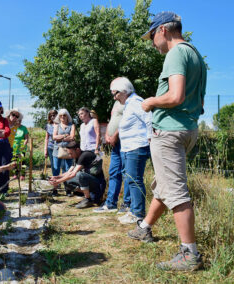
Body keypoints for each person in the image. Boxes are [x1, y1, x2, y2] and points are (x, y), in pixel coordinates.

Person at [128, 12, 206, 271]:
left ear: (162, 30)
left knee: (176, 192)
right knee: (164, 185)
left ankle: (189, 254)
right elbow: (199, 102)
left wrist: (150, 101)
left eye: (152, 36)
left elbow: (175, 96)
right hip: (187, 129)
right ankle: (145, 228)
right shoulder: (195, 54)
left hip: (170, 132)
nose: (152, 43)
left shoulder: (175, 53)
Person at [109, 77, 152, 224]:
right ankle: (134, 210)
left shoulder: (135, 102)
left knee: (134, 181)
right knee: (131, 179)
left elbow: (148, 118)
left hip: (136, 146)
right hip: (129, 147)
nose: (114, 97)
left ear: (124, 91)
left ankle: (138, 213)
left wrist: (150, 138)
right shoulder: (128, 104)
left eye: (115, 94)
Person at [93, 100, 131, 214]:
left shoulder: (130, 101)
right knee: (113, 171)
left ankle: (127, 204)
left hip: (124, 141)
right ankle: (111, 203)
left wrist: (115, 134)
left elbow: (127, 120)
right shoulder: (116, 103)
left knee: (126, 172)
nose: (113, 96)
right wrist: (107, 134)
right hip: (115, 143)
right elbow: (113, 119)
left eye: (115, 92)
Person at [49, 141, 105, 208]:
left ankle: (88, 199)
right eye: (69, 154)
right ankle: (88, 194)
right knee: (67, 181)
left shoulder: (85, 155)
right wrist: (56, 177)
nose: (70, 156)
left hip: (98, 184)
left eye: (71, 153)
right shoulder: (76, 157)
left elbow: (73, 174)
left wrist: (58, 182)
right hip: (90, 183)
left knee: (80, 175)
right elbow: (68, 172)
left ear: (77, 150)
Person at [52, 109, 75, 195]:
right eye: (61, 115)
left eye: (64, 115)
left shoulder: (72, 125)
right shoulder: (56, 125)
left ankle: (68, 188)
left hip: (68, 150)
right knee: (56, 169)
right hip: (57, 150)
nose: (62, 117)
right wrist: (65, 135)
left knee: (67, 169)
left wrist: (60, 137)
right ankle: (55, 188)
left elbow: (72, 137)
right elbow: (54, 137)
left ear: (67, 116)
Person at [12, 114, 29, 180]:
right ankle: (15, 174)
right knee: (15, 161)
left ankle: (22, 175)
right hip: (14, 147)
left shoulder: (24, 128)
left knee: (22, 162)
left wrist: (24, 145)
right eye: (17, 120)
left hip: (22, 147)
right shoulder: (13, 127)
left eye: (20, 120)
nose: (19, 121)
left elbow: (26, 138)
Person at [44, 110, 58, 175]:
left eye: (54, 115)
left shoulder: (60, 124)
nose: (52, 117)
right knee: (53, 165)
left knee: (60, 164)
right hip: (50, 147)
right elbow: (46, 138)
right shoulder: (48, 125)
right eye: (51, 115)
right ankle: (55, 180)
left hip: (59, 147)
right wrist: (45, 150)